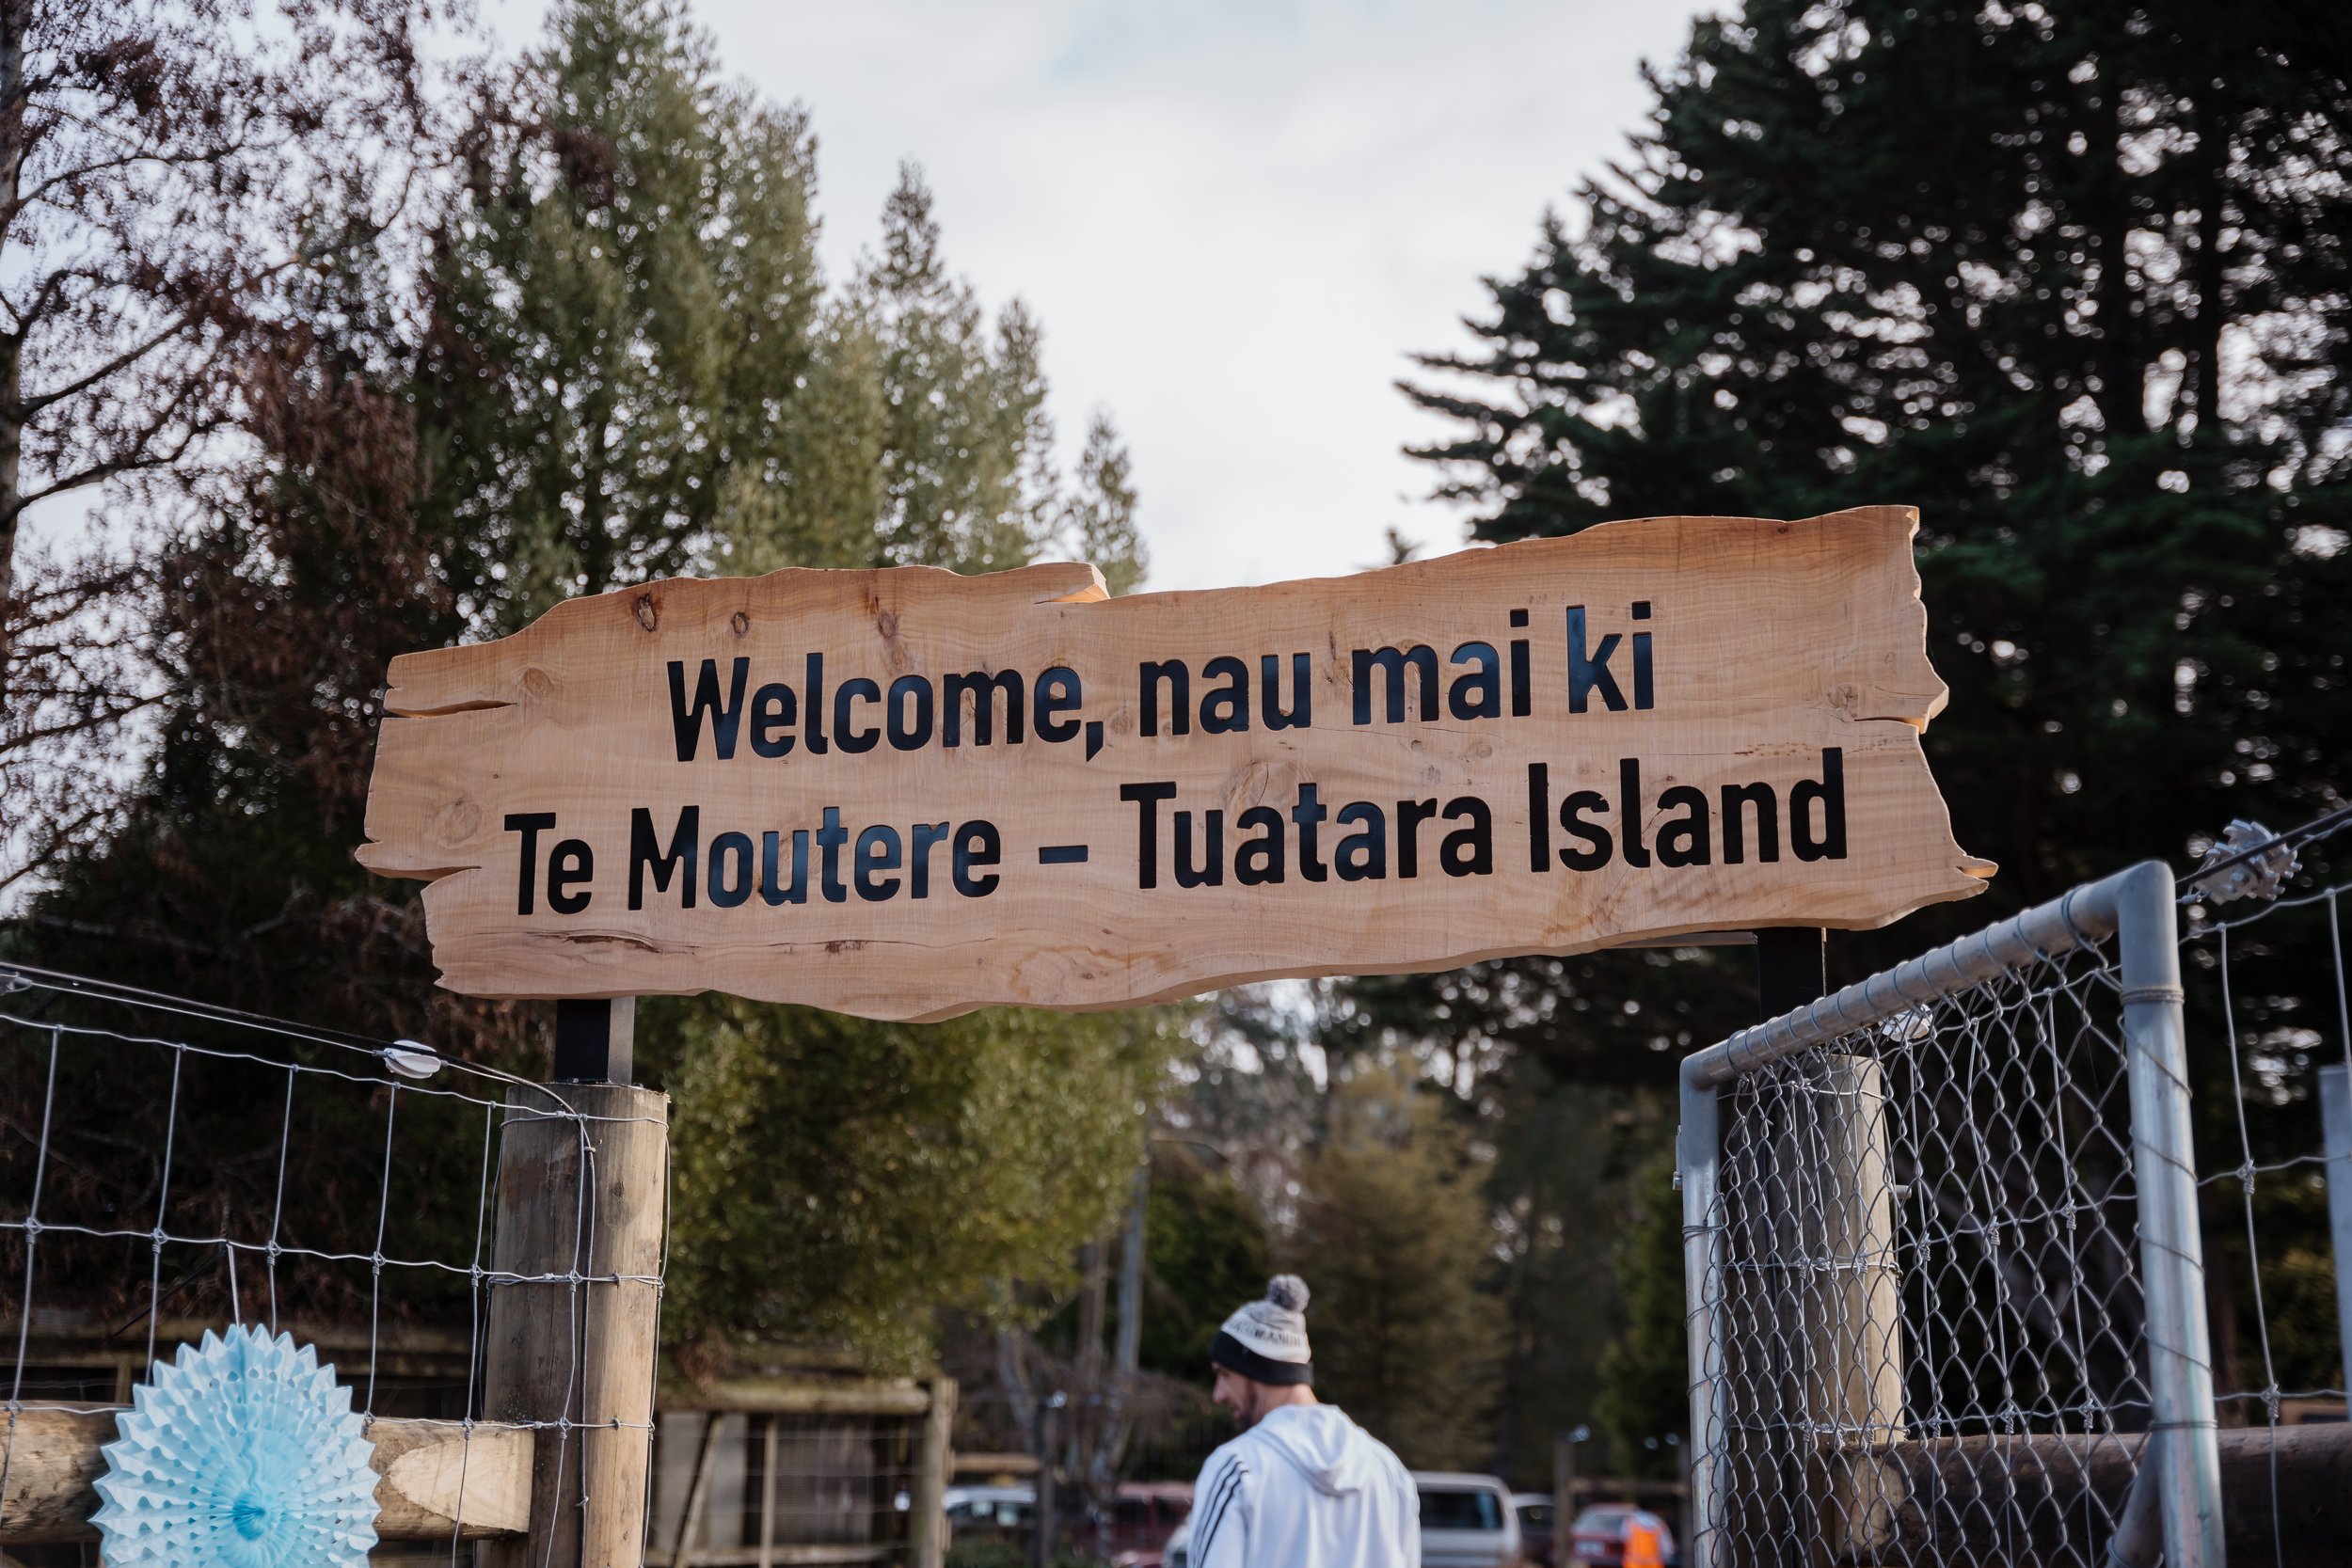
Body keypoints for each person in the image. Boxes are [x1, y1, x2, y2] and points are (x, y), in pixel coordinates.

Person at [1187, 1275, 1419, 1568]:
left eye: (1224, 1374)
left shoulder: (1238, 1469)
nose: (1218, 1395)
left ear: (1256, 1369)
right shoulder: (1387, 1471)